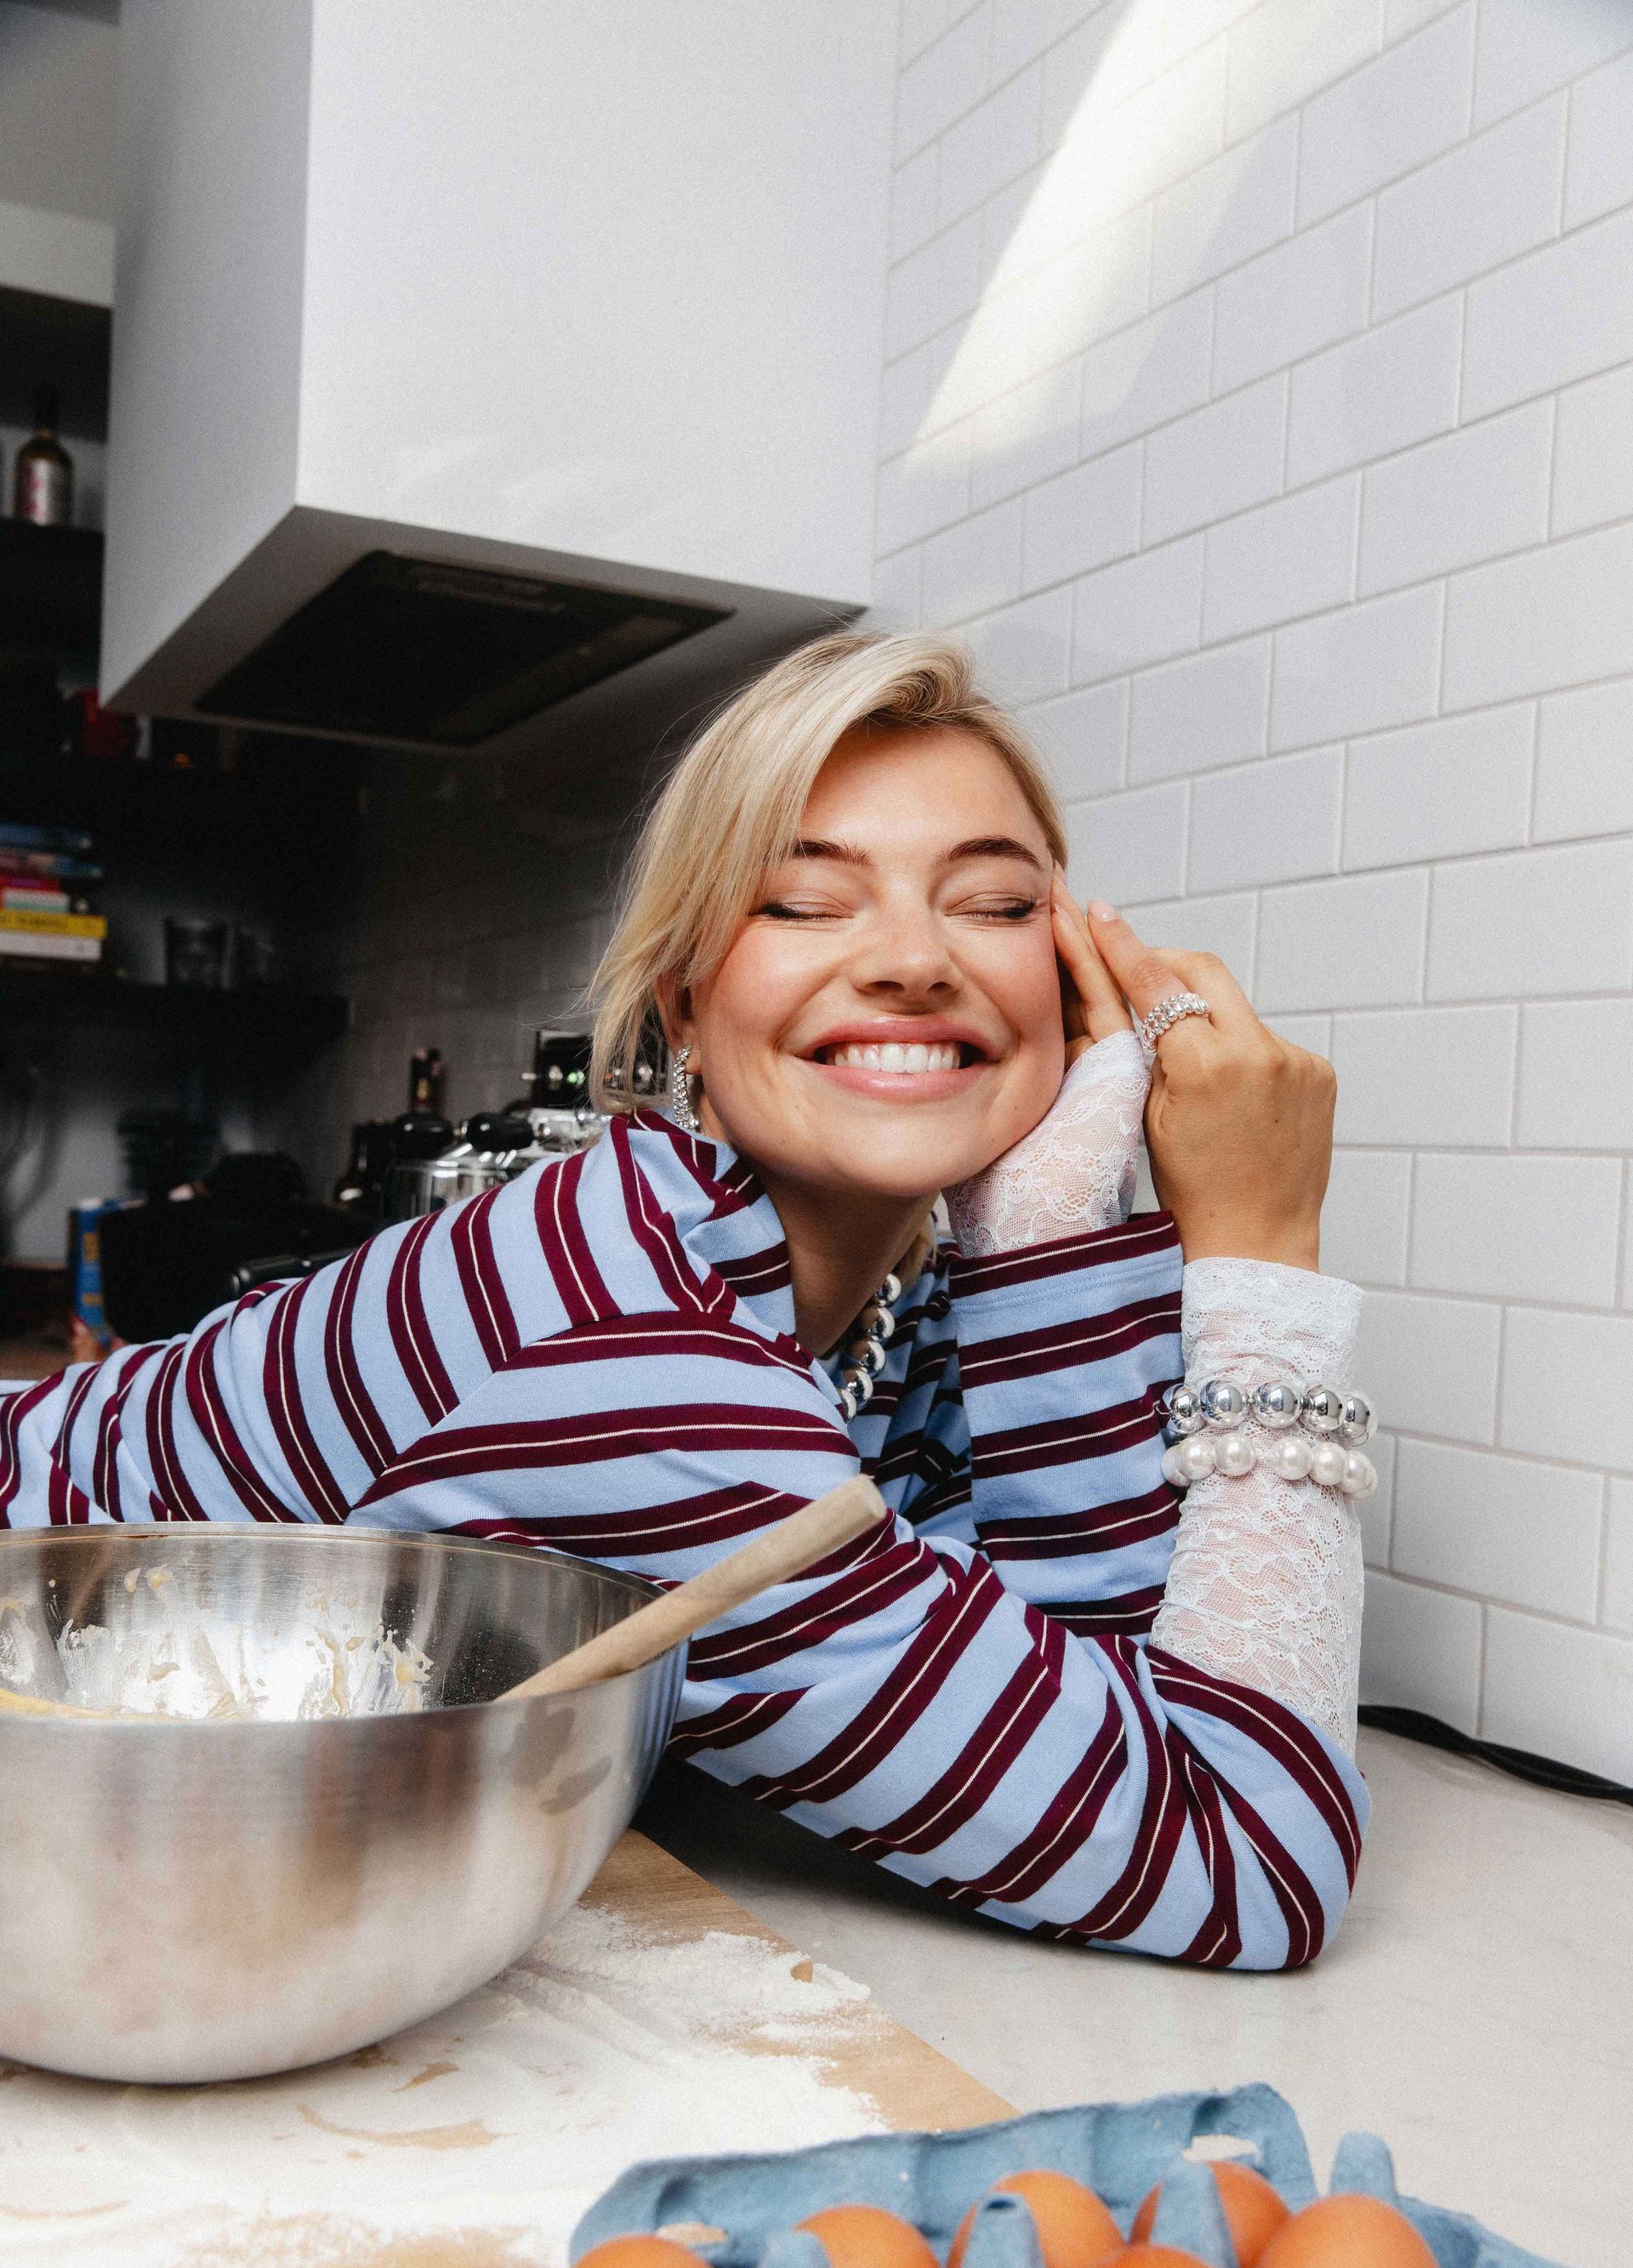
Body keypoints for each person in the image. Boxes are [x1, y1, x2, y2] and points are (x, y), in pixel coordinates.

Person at [0, 634, 1368, 1969]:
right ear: (682, 1001)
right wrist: (1258, 1257)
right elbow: (1242, 1855)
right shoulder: (631, 1355)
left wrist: (1045, 1235)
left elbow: (1091, 1697)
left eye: (996, 905)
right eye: (804, 899)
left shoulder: (870, 1307)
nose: (912, 959)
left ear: (1071, 987)